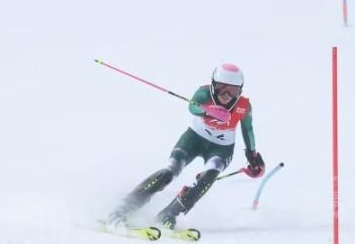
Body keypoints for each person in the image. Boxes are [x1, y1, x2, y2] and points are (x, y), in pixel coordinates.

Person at [107, 64, 266, 230]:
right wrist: (208, 111)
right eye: (221, 88)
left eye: (232, 91)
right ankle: (123, 209)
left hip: (221, 148)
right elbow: (192, 106)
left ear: (239, 91)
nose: (226, 95)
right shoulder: (204, 93)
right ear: (213, 85)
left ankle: (170, 213)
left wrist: (252, 156)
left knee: (209, 176)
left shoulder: (243, 106)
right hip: (194, 139)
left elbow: (247, 129)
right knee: (169, 172)